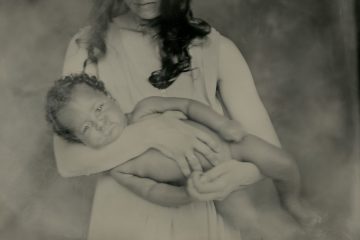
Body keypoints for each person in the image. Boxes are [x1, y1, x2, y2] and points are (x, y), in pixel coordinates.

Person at [55, 0, 304, 239]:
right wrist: (152, 131)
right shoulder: (88, 46)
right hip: (125, 218)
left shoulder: (215, 47)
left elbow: (264, 145)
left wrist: (236, 175)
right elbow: (68, 161)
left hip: (202, 209)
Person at [46, 73, 320, 229]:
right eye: (87, 128)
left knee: (283, 163)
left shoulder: (144, 109)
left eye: (99, 109)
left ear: (111, 99)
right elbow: (153, 191)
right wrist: (186, 193)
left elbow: (187, 107)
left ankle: (292, 201)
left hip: (230, 145)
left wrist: (222, 125)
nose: (101, 123)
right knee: (248, 223)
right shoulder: (119, 167)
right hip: (207, 182)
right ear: (82, 142)